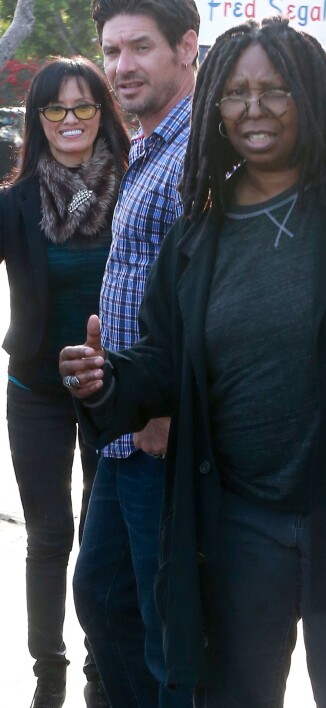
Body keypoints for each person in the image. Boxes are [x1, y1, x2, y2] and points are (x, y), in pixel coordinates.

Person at [60, 17, 326, 708]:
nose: (254, 108)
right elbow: (162, 361)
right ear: (215, 107)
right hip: (237, 528)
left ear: (313, 94)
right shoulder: (198, 231)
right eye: (235, 92)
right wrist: (107, 380)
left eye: (276, 89)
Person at [70, 0, 199, 705]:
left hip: (159, 435)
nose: (120, 67)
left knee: (165, 630)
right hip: (123, 428)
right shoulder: (149, 144)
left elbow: (207, 303)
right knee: (103, 597)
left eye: (139, 48)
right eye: (111, 50)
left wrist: (165, 410)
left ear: (186, 47)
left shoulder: (197, 154)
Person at [0, 57, 129, 708]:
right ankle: (47, 670)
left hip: (117, 391)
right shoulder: (16, 202)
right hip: (36, 395)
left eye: (84, 107)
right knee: (49, 534)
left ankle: (102, 668)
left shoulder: (135, 189)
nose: (71, 121)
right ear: (39, 120)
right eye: (56, 109)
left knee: (106, 534)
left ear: (103, 113)